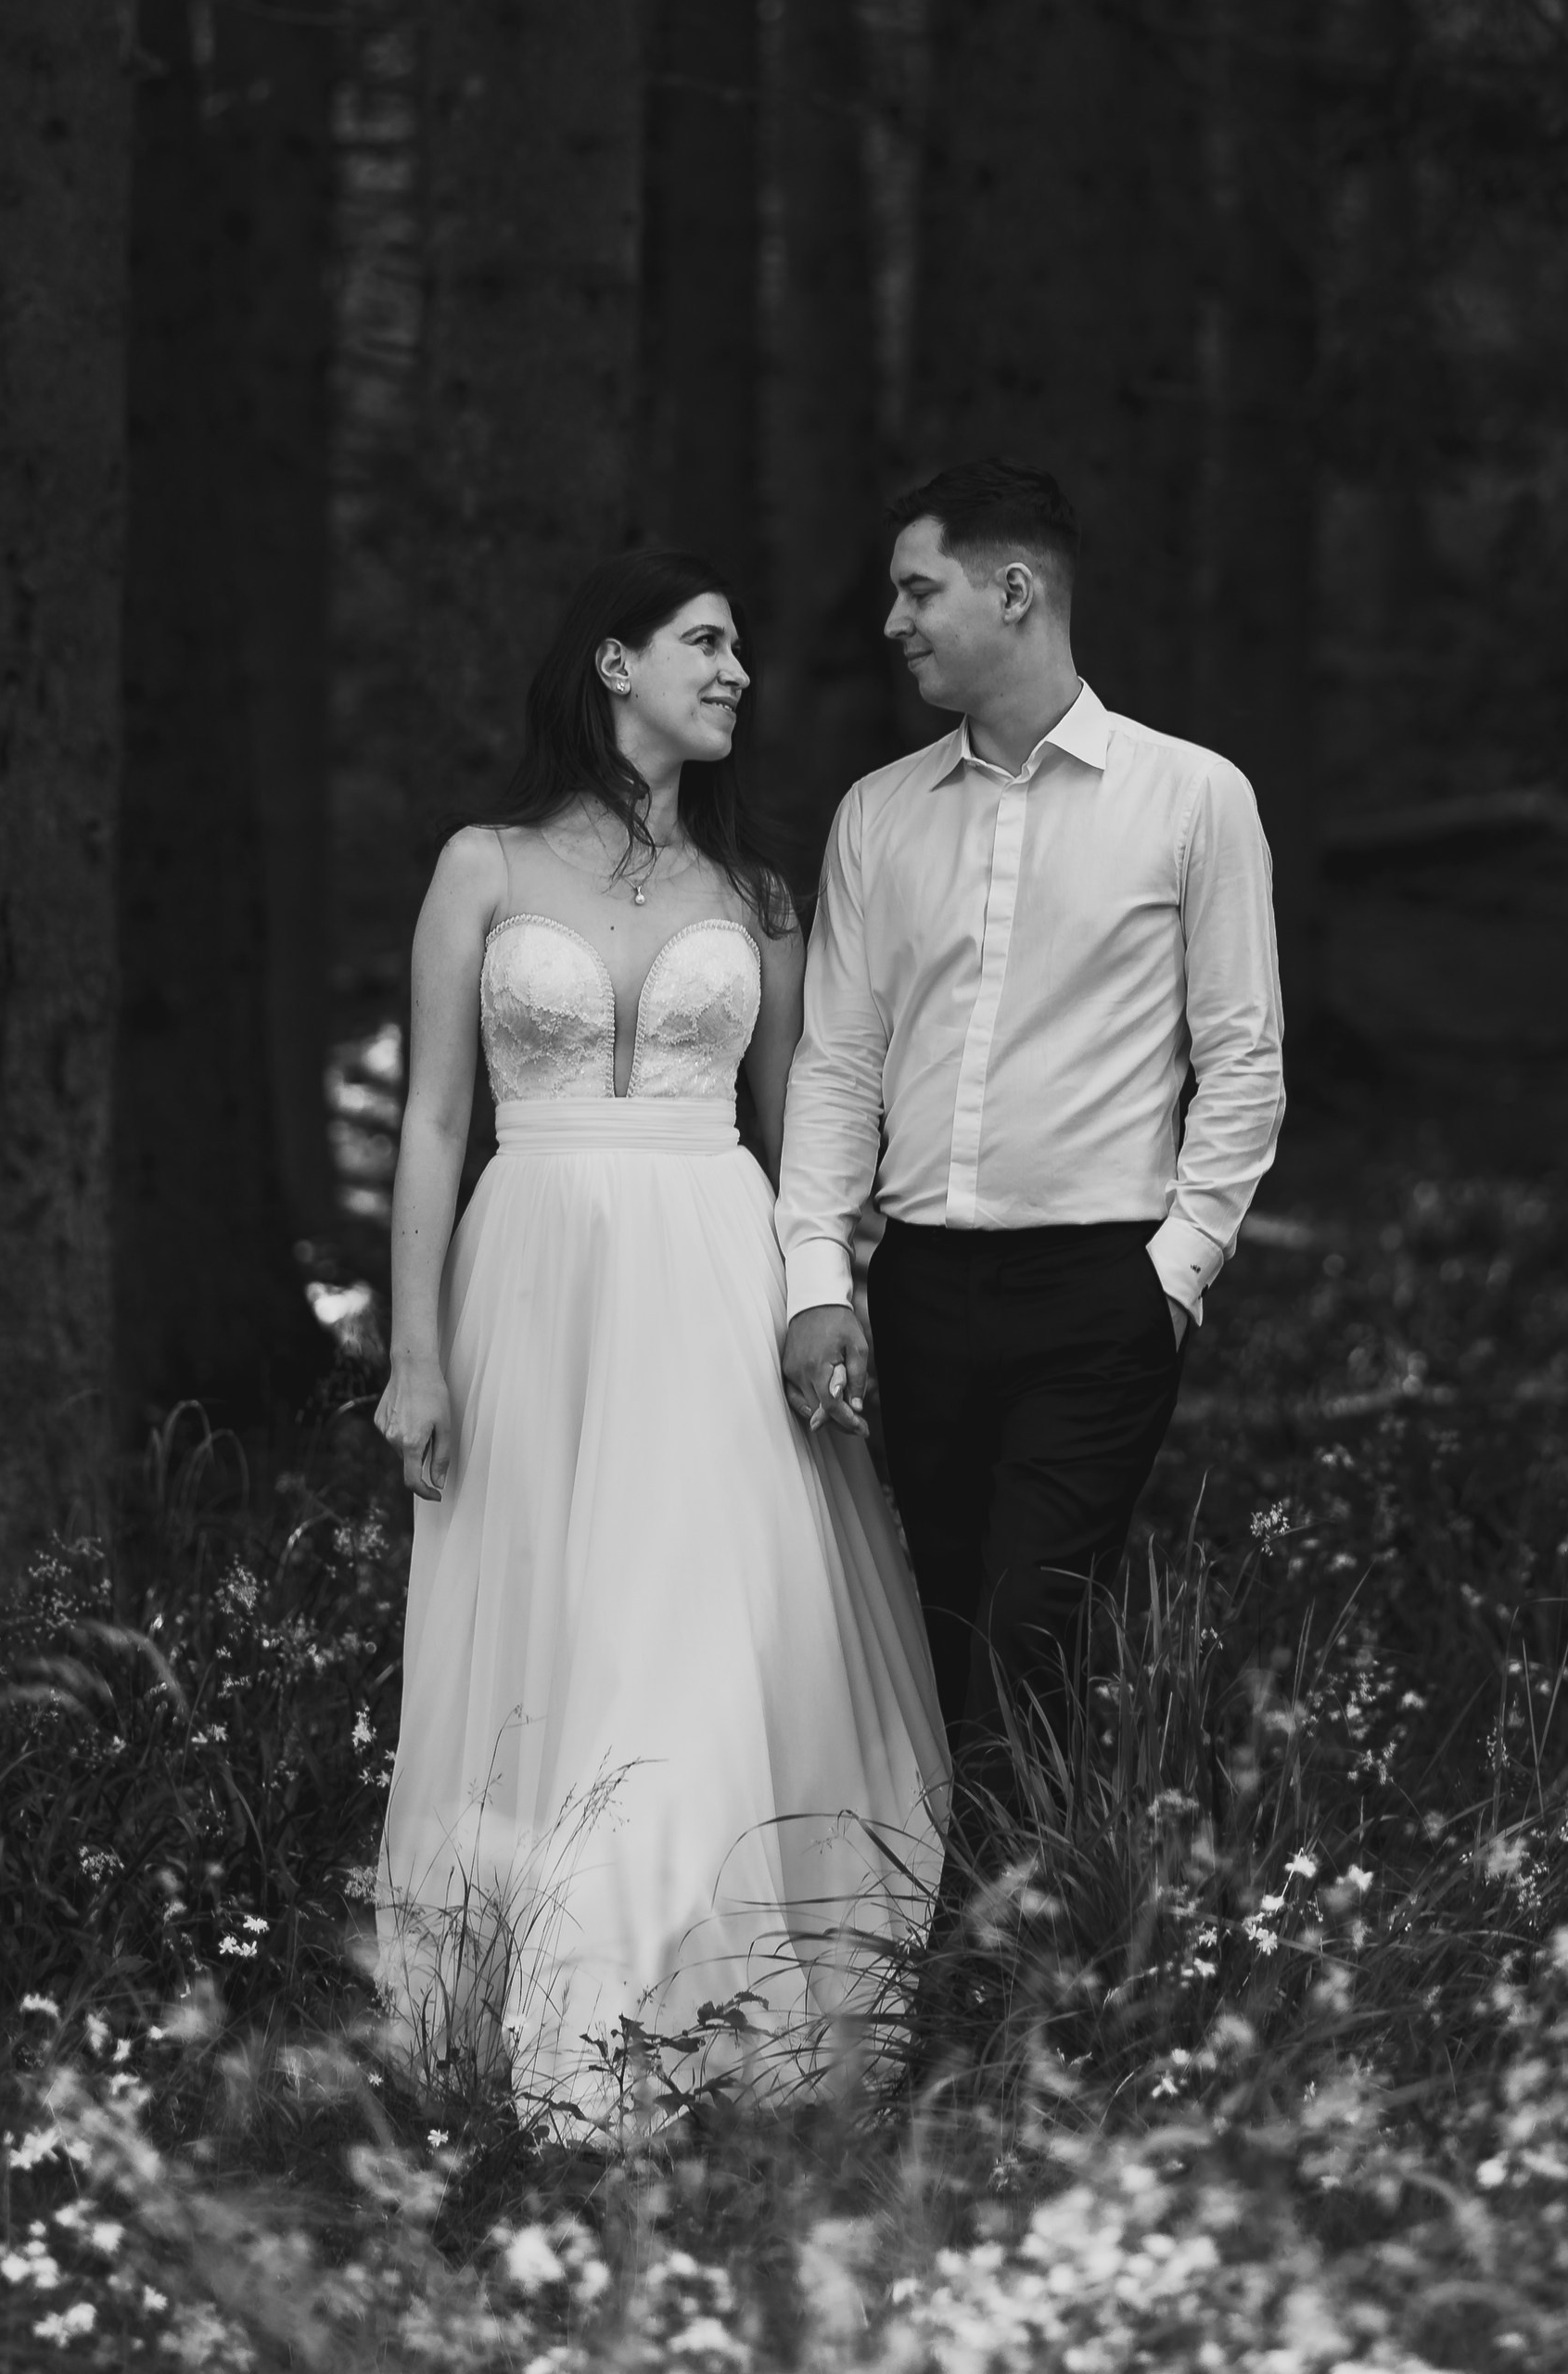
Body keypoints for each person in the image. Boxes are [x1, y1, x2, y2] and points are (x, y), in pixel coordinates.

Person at [372, 549, 946, 2134]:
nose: (737, 672)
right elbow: (430, 1125)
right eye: (705, 642)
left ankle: (684, 2015)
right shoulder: (481, 870)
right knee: (554, 1621)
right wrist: (414, 1354)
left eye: (743, 649)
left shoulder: (755, 898)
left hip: (709, 1271)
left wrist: (823, 1300)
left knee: (693, 1627)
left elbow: (802, 1138)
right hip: (535, 1282)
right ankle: (529, 2003)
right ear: (613, 666)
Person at [778, 458, 1285, 1789]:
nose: (893, 623)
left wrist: (1173, 1277)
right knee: (946, 1634)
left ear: (1014, 591)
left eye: (916, 589)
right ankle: (1003, 1946)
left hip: (1099, 1295)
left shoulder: (1194, 798)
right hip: (923, 1288)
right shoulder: (878, 817)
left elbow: (1243, 1058)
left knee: (1029, 1631)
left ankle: (990, 1979)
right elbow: (838, 1062)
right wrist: (818, 1276)